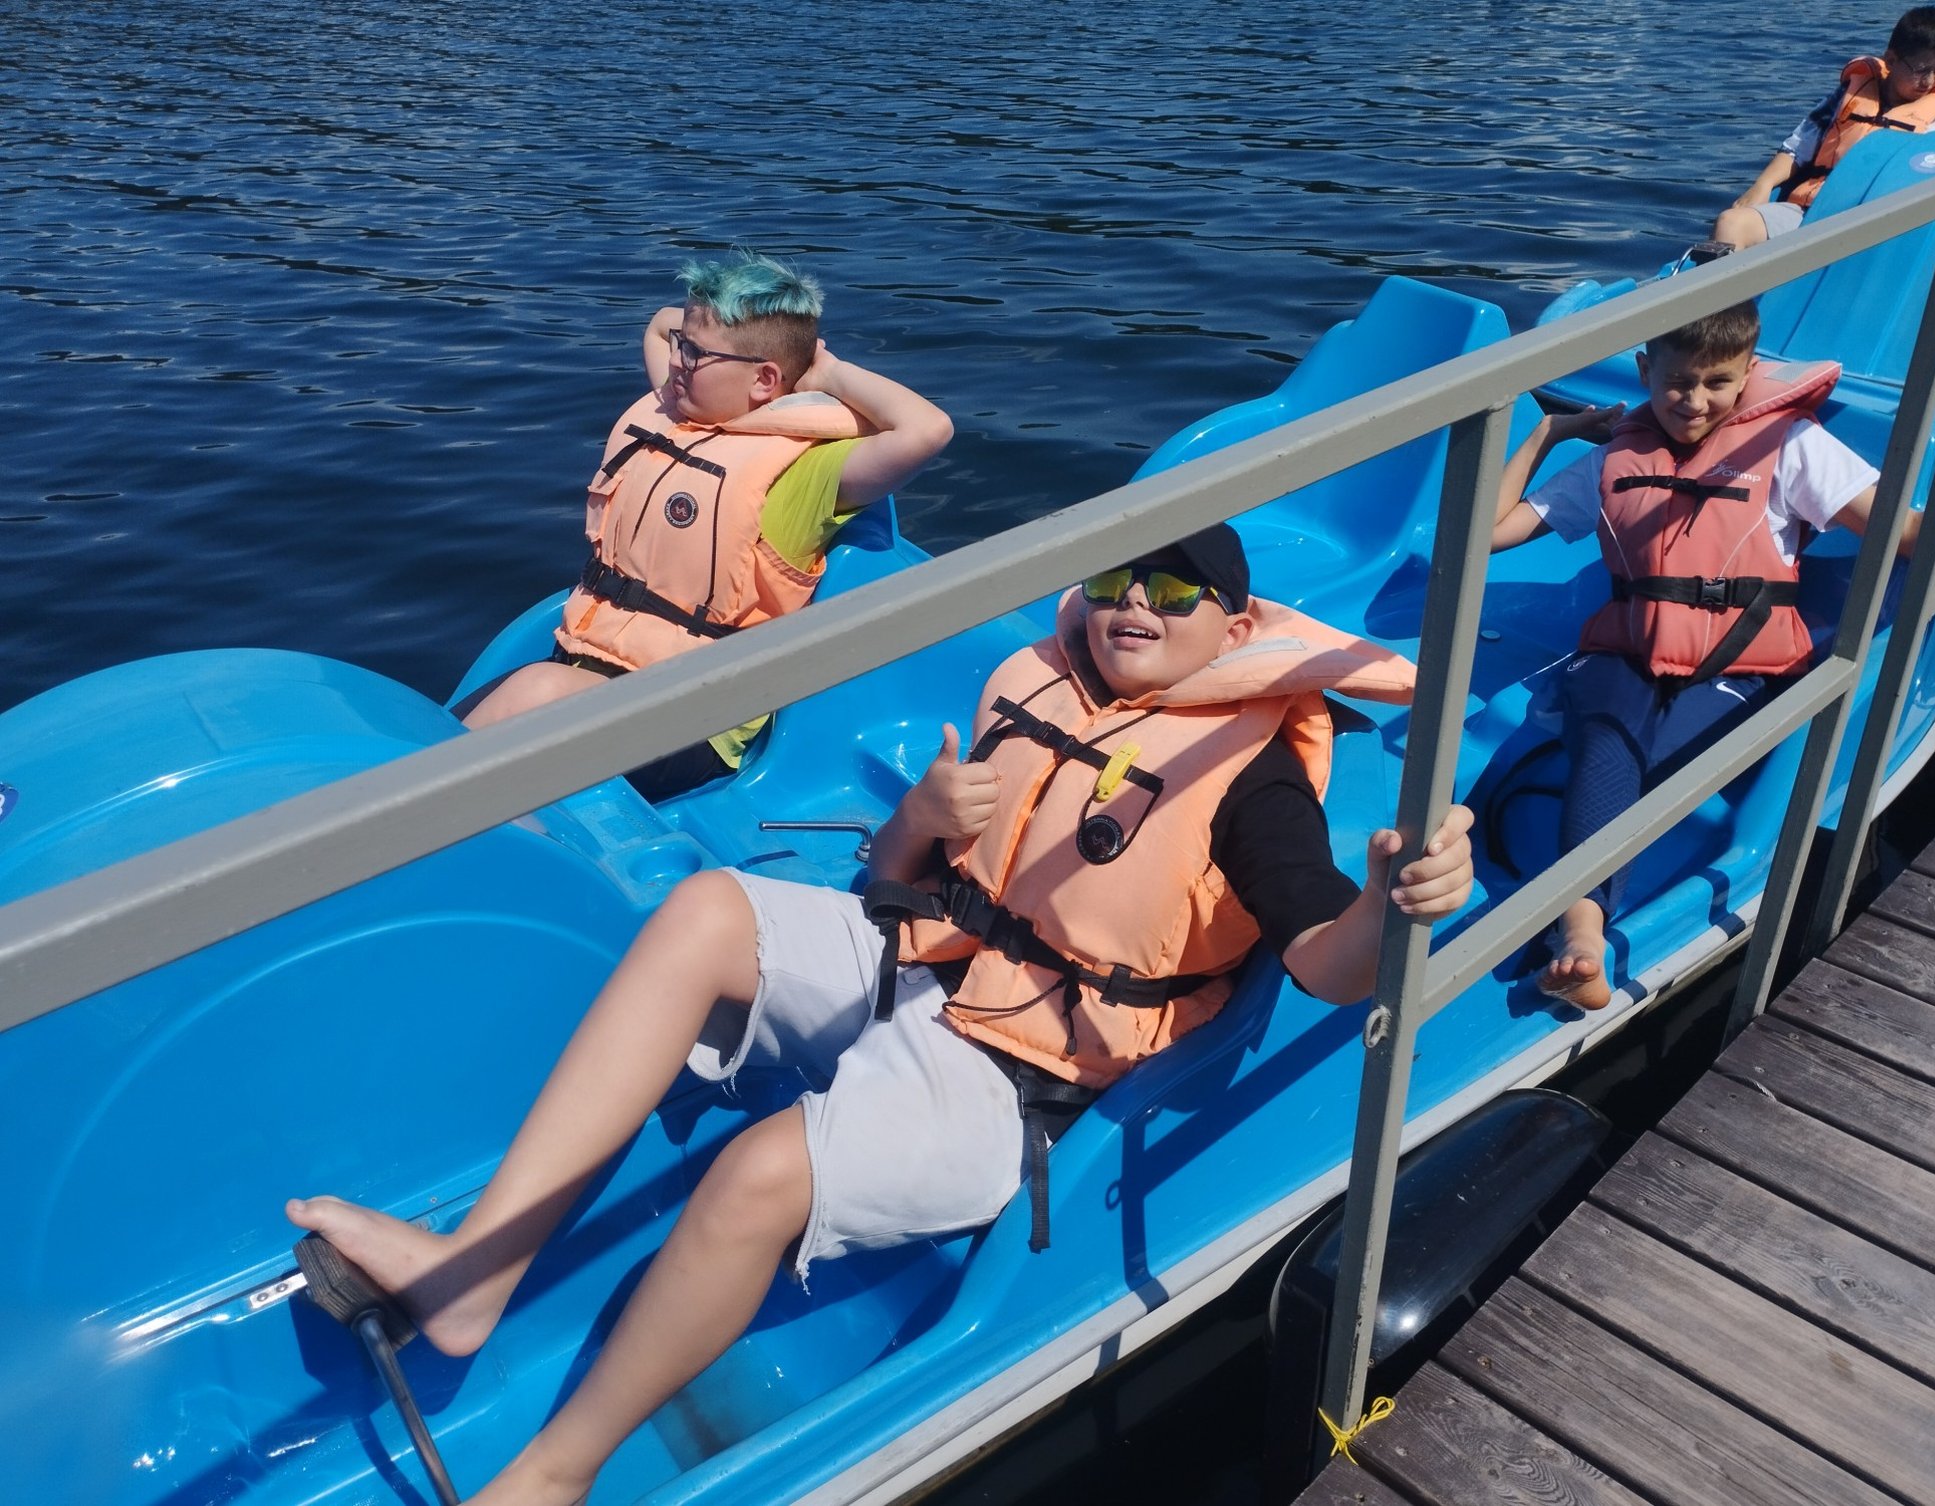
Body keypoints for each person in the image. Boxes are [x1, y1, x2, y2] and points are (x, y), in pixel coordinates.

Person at [288, 523, 1478, 1506]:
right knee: (704, 911)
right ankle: (473, 1275)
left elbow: (1324, 965)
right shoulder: (1042, 683)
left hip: (1028, 1076)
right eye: (1120, 579)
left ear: (1235, 625)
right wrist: (923, 814)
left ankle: (556, 1474)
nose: (1135, 606)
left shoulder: (1250, 775)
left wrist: (1388, 906)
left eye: (1175, 594)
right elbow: (898, 879)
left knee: (757, 1175)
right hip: (929, 963)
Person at [1490, 301, 1935, 1009]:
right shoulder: (1614, 457)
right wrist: (1549, 432)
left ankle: (1576, 921)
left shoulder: (1790, 446)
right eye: (1677, 382)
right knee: (1608, 741)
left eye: (1717, 383)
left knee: (1646, 761)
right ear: (1645, 370)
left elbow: (1916, 532)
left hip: (1739, 664)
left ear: (1748, 373)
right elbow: (1490, 532)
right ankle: (1581, 934)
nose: (1695, 402)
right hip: (1624, 656)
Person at [456, 249, 953, 801]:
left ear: (764, 379)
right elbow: (660, 324)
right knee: (435, 728)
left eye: (693, 353)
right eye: (681, 345)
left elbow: (927, 429)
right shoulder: (679, 409)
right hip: (585, 666)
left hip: (691, 721)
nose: (675, 361)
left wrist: (825, 369)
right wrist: (720, 332)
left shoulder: (804, 474)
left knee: (533, 691)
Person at [1711, 7, 1935, 251]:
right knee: (1730, 223)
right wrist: (1763, 185)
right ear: (1891, 60)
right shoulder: (1847, 96)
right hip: (1813, 212)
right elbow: (1797, 147)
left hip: (1874, 230)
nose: (1929, 81)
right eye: (1921, 70)